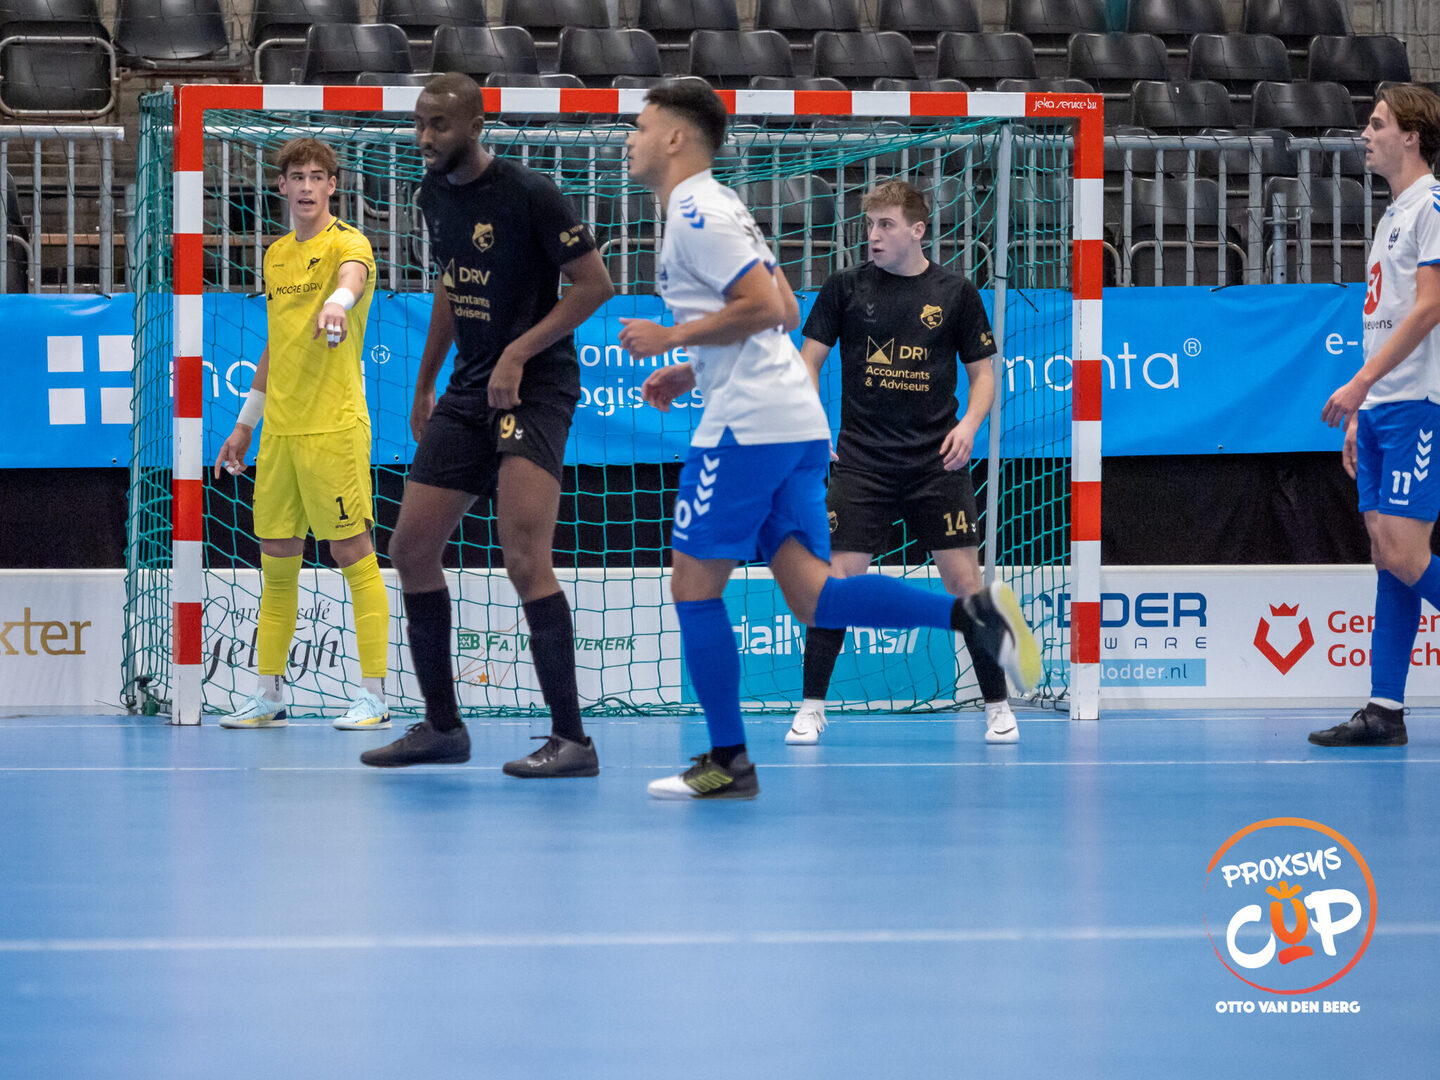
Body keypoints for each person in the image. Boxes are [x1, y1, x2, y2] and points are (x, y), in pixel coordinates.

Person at [621, 81, 1041, 800]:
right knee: (816, 597)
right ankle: (971, 614)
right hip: (792, 421)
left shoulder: (695, 211)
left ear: (675, 138)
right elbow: (786, 310)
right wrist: (693, 368)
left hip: (748, 426)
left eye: (640, 126)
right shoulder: (718, 208)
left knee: (692, 586)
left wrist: (672, 337)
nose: (630, 140)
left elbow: (765, 306)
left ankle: (728, 760)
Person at [360, 73, 616, 774]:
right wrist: (426, 381)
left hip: (537, 387)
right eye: (419, 123)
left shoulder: (530, 193)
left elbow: (596, 284)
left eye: (439, 124)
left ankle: (573, 740)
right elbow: (452, 284)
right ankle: (443, 729)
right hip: (472, 386)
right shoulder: (431, 193)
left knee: (524, 556)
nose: (425, 137)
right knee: (411, 548)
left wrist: (518, 352)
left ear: (475, 125)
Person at [788, 179, 1018, 746]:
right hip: (861, 463)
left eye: (886, 225)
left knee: (964, 582)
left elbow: (984, 376)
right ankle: (811, 708)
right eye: (869, 225)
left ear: (917, 230)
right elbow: (807, 362)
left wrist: (969, 425)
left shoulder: (956, 292)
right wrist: (814, 425)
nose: (873, 235)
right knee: (837, 583)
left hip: (936, 463)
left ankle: (998, 707)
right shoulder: (845, 288)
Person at [213, 137, 390, 732]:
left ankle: (374, 695)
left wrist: (338, 300)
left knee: (352, 552)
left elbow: (353, 277)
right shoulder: (276, 255)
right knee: (277, 562)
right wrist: (245, 423)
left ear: (332, 186)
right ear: (282, 186)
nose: (308, 186)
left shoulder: (349, 242)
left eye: (318, 176)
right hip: (280, 434)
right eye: (298, 176)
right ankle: (268, 695)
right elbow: (277, 343)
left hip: (334, 426)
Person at [1316, 83, 1440, 747]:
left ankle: (1386, 709)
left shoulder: (1432, 206)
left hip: (1420, 403)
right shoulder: (1393, 213)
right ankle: (1384, 710)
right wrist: (1363, 409)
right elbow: (1382, 319)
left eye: (1378, 123)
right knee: (1386, 558)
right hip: (1384, 407)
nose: (1365, 134)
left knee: (1403, 552)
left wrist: (1360, 384)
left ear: (1411, 135)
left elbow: (1429, 307)